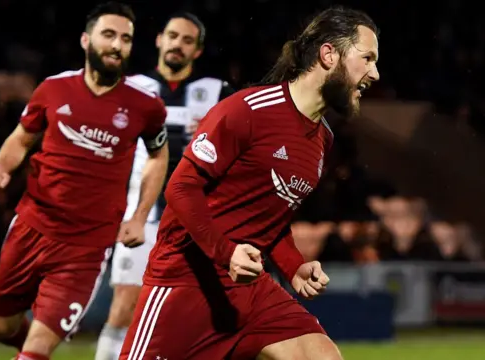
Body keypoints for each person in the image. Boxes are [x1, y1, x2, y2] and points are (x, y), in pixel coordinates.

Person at [120, 5, 379, 360]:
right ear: (328, 54)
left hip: (249, 285)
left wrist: (293, 265)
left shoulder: (323, 140)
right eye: (367, 58)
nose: (375, 73)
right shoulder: (247, 110)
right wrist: (227, 254)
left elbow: (268, 218)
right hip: (186, 279)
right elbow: (181, 188)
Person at [0, 3, 169, 360]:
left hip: (86, 247)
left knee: (35, 350)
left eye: (125, 39)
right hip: (31, 228)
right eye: (108, 35)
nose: (117, 45)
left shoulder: (146, 105)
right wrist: (1, 169)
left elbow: (159, 156)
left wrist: (140, 215)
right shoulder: (52, 89)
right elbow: (21, 138)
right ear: (86, 40)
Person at [95, 11, 234, 360]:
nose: (178, 45)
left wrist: (217, 135)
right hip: (141, 214)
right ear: (159, 39)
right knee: (125, 306)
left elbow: (241, 159)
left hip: (198, 222)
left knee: (204, 314)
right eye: (173, 36)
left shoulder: (219, 94)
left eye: (188, 40)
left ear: (198, 51)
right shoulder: (130, 88)